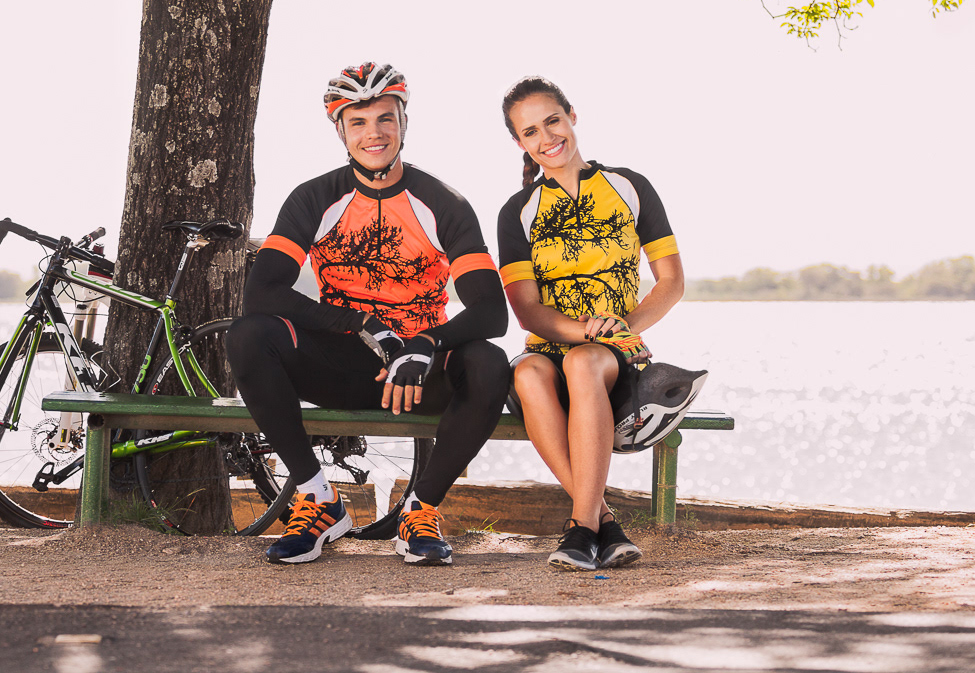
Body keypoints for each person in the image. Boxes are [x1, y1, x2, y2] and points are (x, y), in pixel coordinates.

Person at [228, 62, 512, 566]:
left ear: (404, 122)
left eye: (385, 118)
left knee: (489, 362)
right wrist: (360, 323)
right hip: (342, 364)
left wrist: (426, 344)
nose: (373, 133)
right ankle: (318, 498)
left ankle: (419, 510)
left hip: (419, 375)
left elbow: (492, 312)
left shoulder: (443, 203)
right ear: (340, 130)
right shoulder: (314, 198)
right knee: (249, 335)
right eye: (358, 122)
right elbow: (263, 292)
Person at [496, 76, 706, 571]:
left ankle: (580, 528)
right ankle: (602, 524)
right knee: (526, 372)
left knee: (584, 362)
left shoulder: (630, 186)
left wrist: (620, 328)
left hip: (613, 351)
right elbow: (527, 311)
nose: (546, 137)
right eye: (530, 132)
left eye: (552, 121)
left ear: (572, 116)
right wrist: (583, 329)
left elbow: (671, 282)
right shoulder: (516, 212)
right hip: (550, 345)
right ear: (519, 142)